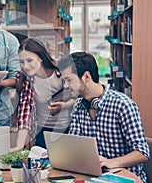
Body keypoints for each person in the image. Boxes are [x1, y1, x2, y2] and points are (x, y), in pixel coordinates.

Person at [57, 52, 150, 182]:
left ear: (86, 76)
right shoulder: (78, 105)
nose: (65, 86)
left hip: (125, 179)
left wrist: (112, 162)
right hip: (95, 178)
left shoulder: (122, 104)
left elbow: (143, 152)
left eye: (69, 80)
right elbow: (76, 144)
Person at [13, 38, 75, 150]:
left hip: (68, 130)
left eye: (29, 60)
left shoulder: (60, 71)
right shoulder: (27, 80)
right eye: (21, 62)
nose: (25, 66)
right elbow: (25, 112)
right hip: (43, 132)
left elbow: (77, 96)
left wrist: (64, 106)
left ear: (40, 58)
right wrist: (19, 146)